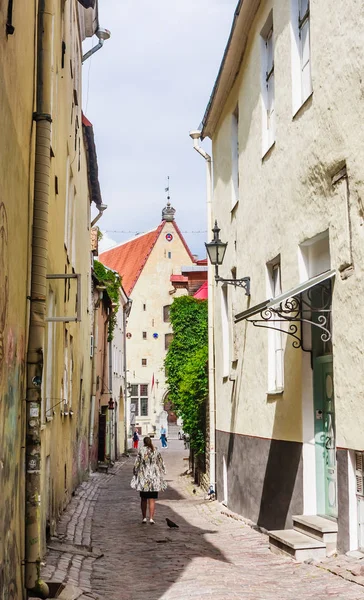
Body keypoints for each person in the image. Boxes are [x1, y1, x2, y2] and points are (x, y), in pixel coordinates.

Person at [130, 436, 167, 524]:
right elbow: (161, 462)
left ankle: (144, 518)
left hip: (144, 477)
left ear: (144, 442)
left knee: (143, 499)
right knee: (152, 499)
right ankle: (151, 518)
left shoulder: (141, 450)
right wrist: (163, 472)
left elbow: (137, 463)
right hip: (154, 477)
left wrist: (135, 471)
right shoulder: (156, 450)